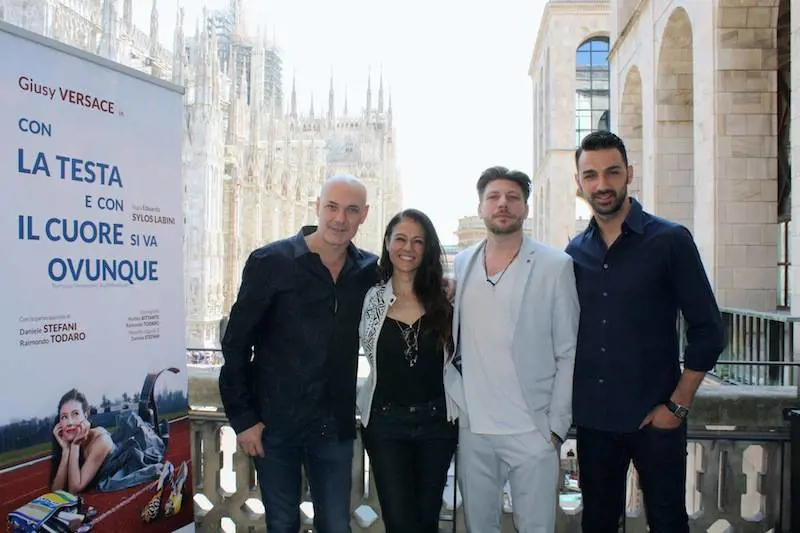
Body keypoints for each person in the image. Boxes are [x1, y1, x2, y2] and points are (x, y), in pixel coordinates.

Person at [566, 130, 725, 533]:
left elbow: (708, 329)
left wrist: (677, 406)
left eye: (612, 172)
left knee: (669, 523)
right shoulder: (573, 253)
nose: (602, 185)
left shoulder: (670, 240)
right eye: (591, 175)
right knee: (597, 525)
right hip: (595, 423)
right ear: (579, 182)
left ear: (629, 174)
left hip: (657, 419)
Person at [219, 174, 376, 533]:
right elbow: (236, 343)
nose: (340, 218)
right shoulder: (271, 261)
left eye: (351, 210)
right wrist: (243, 419)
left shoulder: (369, 270)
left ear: (364, 215)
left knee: (336, 525)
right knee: (282, 524)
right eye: (332, 207)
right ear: (316, 206)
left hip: (333, 426)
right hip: (275, 426)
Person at [445, 166, 580, 533]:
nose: (502, 204)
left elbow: (568, 351)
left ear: (525, 208)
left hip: (531, 431)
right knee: (479, 527)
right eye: (493, 197)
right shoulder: (463, 261)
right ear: (481, 206)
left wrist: (555, 428)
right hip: (475, 429)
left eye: (512, 197)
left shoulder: (556, 265)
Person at [357, 209, 459, 533]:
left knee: (426, 521)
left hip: (436, 424)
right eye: (400, 238)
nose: (408, 247)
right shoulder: (370, 297)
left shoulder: (446, 298)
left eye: (418, 241)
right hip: (386, 424)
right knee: (399, 522)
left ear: (427, 248)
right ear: (387, 243)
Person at [49, 389, 169, 497]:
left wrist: (74, 446)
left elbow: (74, 489)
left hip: (130, 455)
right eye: (64, 417)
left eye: (75, 414)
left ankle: (158, 431)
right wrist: (65, 451)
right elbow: (56, 493)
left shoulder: (100, 441)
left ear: (85, 416)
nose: (69, 422)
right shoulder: (68, 440)